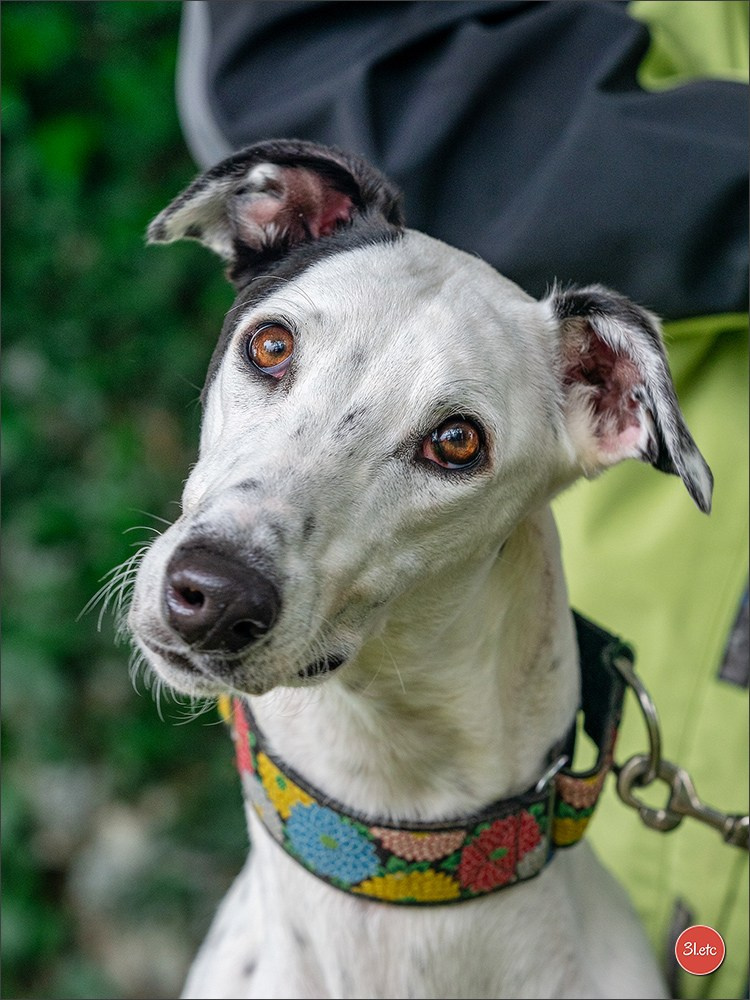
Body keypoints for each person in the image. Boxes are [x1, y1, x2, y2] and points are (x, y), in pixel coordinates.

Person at [173, 2, 748, 996]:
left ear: (611, 412)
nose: (227, 558)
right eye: (273, 353)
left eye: (448, 444)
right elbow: (316, 50)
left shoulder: (565, 387)